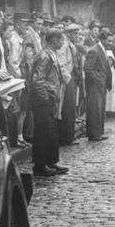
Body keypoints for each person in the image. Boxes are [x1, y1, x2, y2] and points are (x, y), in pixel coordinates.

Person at [31, 30, 69, 177]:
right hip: (44, 100)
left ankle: (51, 162)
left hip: (50, 98)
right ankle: (40, 165)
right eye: (61, 39)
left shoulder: (50, 54)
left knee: (51, 132)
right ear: (53, 40)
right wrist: (45, 98)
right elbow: (37, 80)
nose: (62, 42)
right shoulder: (45, 56)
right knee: (43, 133)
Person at [84, 30, 112, 141]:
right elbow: (87, 69)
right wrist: (97, 79)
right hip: (95, 85)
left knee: (100, 109)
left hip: (101, 84)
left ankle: (99, 132)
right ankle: (94, 134)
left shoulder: (102, 49)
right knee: (95, 109)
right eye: (109, 41)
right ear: (102, 40)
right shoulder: (94, 50)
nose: (110, 43)